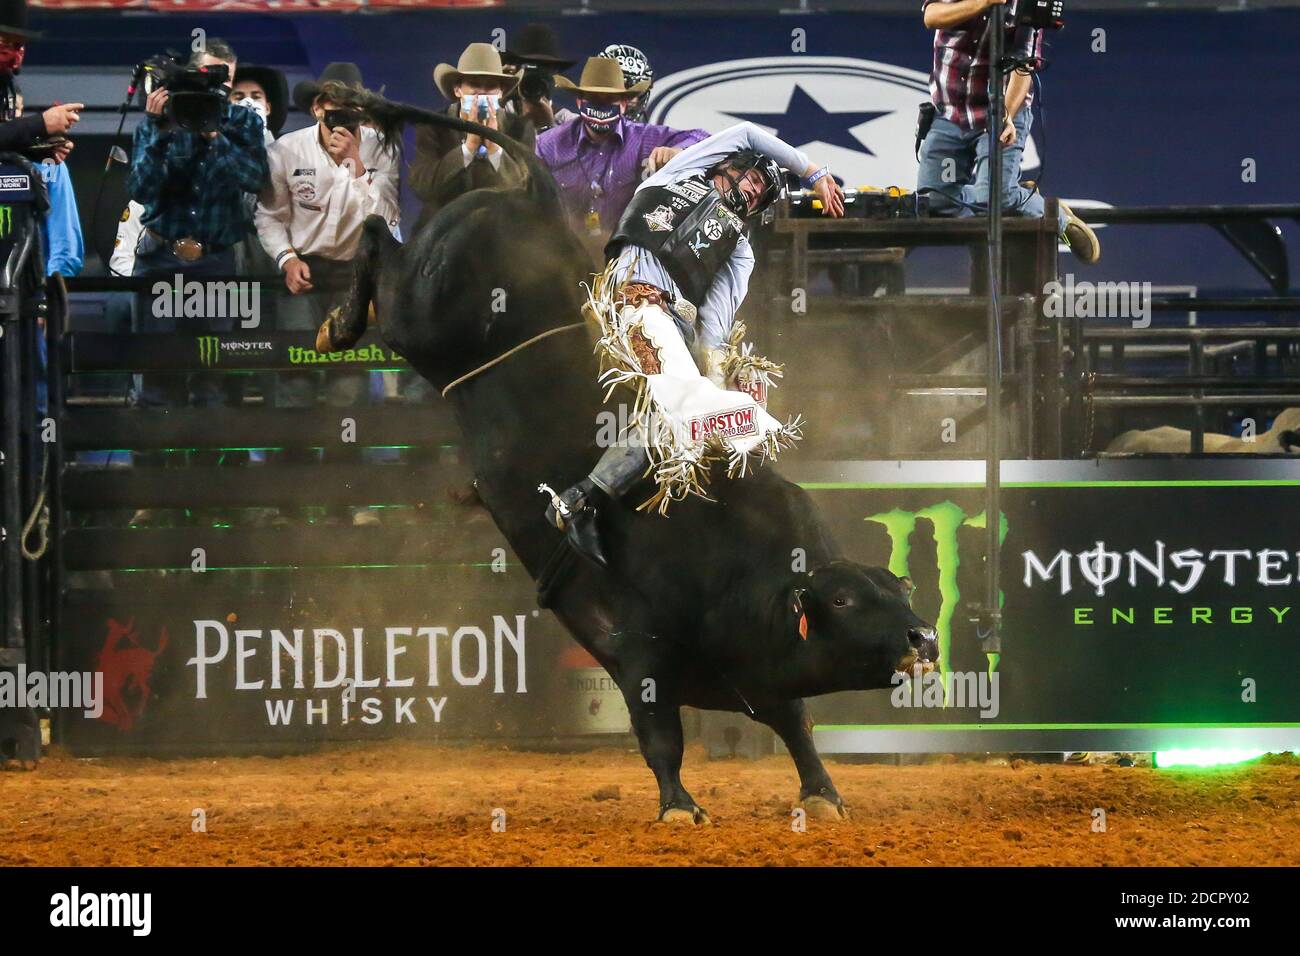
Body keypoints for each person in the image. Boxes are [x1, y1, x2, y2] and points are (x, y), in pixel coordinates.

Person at [540, 122, 845, 565]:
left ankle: (579, 501)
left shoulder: (740, 248)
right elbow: (744, 132)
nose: (753, 194)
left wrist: (721, 377)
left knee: (681, 416)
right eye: (755, 180)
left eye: (762, 195)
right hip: (633, 302)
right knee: (699, 403)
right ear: (729, 168)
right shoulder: (678, 177)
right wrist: (812, 171)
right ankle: (752, 430)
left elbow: (714, 329)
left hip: (672, 328)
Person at [255, 68, 400, 526]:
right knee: (294, 390)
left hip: (357, 276)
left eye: (354, 108)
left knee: (349, 392)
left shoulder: (380, 147)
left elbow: (388, 219)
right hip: (304, 272)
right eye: (334, 106)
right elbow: (269, 214)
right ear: (317, 107)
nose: (343, 116)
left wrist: (357, 166)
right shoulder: (285, 150)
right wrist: (285, 258)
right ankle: (288, 504)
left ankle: (347, 499)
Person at [915, 0, 1099, 263]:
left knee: (995, 198)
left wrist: (1006, 116)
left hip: (998, 112)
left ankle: (1056, 218)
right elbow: (932, 16)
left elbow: (1023, 67)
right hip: (950, 110)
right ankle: (1018, 200)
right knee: (931, 202)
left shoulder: (1029, 3)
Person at [536, 56, 708, 251]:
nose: (601, 106)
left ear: (624, 104)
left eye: (610, 99)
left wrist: (677, 150)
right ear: (579, 101)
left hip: (625, 257)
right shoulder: (548, 145)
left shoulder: (644, 138)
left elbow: (702, 137)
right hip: (564, 255)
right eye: (593, 99)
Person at [408, 43, 533, 233]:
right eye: (474, 84)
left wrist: (494, 147)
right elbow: (422, 187)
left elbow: (527, 190)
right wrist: (468, 147)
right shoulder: (432, 126)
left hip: (503, 235)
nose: (481, 92)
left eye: (490, 86)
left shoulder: (520, 128)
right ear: (458, 90)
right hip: (443, 234)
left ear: (501, 92)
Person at [501, 22, 577, 134]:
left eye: (543, 69)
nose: (535, 78)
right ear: (515, 73)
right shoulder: (497, 116)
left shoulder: (571, 124)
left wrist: (548, 129)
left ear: (554, 77)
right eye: (528, 69)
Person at [599, 43, 655, 124]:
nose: (622, 103)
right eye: (615, 91)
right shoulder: (575, 131)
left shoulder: (652, 135)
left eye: (631, 93)